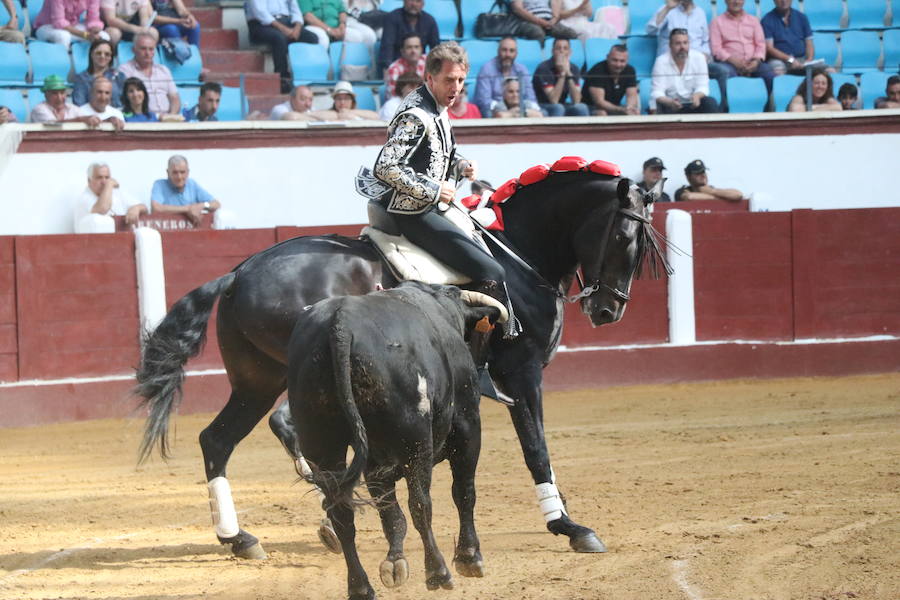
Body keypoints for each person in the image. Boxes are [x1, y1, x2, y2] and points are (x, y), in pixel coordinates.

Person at [361, 41, 521, 338]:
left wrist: (460, 165)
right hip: (412, 212)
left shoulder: (437, 107)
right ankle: (474, 355)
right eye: (449, 80)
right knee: (493, 271)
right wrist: (434, 190)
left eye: (461, 80)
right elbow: (386, 167)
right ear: (430, 77)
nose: (456, 87)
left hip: (428, 206)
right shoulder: (415, 116)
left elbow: (434, 157)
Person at [647, 1, 727, 100]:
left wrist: (706, 54)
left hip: (696, 62)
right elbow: (651, 31)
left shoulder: (700, 12)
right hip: (672, 63)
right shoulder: (667, 9)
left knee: (722, 71)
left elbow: (705, 40)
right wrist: (667, 9)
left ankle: (724, 110)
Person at [245, 0, 319, 93]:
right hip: (261, 24)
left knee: (312, 38)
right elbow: (260, 13)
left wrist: (297, 27)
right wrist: (284, 29)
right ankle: (283, 80)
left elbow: (295, 8)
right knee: (279, 38)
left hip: (286, 21)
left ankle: (306, 78)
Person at [710, 0, 773, 98]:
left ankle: (768, 107)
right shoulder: (717, 22)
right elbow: (716, 49)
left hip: (753, 63)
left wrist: (756, 61)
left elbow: (760, 44)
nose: (736, 2)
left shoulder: (754, 21)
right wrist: (733, 61)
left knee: (767, 71)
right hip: (729, 64)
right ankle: (731, 107)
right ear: (725, 1)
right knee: (727, 73)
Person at [650, 29, 719, 114]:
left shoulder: (699, 58)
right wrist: (669, 102)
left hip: (693, 103)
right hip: (671, 104)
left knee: (710, 102)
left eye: (685, 43)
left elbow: (703, 86)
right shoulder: (661, 61)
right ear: (670, 45)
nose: (682, 47)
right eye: (678, 43)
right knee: (660, 105)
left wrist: (697, 96)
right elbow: (657, 91)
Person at [473, 37, 539, 118]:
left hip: (519, 107)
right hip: (496, 109)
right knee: (488, 114)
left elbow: (531, 97)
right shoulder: (487, 69)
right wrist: (506, 111)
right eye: (504, 50)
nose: (508, 54)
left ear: (516, 54)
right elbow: (484, 101)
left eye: (511, 51)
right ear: (498, 51)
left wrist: (525, 109)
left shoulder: (522, 70)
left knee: (544, 112)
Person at [118, 32, 181, 116]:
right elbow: (123, 101)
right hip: (142, 120)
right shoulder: (125, 70)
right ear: (133, 50)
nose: (147, 53)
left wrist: (172, 116)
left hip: (166, 120)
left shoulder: (164, 70)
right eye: (143, 49)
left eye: (151, 49)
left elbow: (174, 98)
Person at [74, 162, 147, 233]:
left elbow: (145, 208)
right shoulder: (84, 198)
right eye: (99, 178)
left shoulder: (116, 192)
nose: (104, 182)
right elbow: (102, 209)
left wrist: (136, 208)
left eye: (107, 177)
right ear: (89, 180)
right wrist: (109, 184)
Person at [151, 155, 221, 225]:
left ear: (188, 172)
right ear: (168, 173)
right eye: (175, 172)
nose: (179, 177)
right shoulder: (160, 185)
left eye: (182, 172)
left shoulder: (192, 184)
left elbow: (216, 204)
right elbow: (156, 208)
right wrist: (188, 209)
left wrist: (202, 205)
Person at [378, 0, 440, 73]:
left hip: (420, 68)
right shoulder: (392, 18)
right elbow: (387, 46)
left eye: (418, 1)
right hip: (397, 68)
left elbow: (436, 48)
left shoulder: (429, 21)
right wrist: (388, 69)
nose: (413, 4)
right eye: (410, 0)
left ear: (423, 4)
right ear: (404, 1)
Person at [533, 37, 589, 116]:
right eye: (558, 48)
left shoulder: (574, 68)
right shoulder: (544, 68)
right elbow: (554, 100)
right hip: (542, 105)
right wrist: (562, 74)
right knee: (558, 107)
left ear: (570, 52)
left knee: (581, 107)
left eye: (565, 48)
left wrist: (568, 73)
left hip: (562, 104)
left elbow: (576, 100)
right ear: (552, 51)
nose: (561, 51)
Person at [582, 44, 639, 116]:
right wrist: (621, 110)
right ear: (607, 57)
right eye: (615, 60)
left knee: (635, 112)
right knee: (602, 113)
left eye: (622, 61)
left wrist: (630, 108)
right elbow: (599, 102)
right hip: (591, 108)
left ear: (627, 60)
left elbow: (632, 95)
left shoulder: (630, 70)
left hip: (615, 107)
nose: (618, 64)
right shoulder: (597, 70)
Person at [760, 0, 814, 76]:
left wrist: (809, 60)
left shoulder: (802, 17)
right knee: (778, 70)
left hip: (801, 59)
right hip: (779, 60)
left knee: (828, 71)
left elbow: (809, 43)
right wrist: (790, 59)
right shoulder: (767, 20)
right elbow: (769, 48)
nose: (784, 1)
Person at [299, 0, 376, 51]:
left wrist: (342, 25)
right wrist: (329, 30)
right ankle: (324, 70)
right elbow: (308, 16)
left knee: (356, 37)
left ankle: (349, 70)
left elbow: (342, 11)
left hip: (336, 26)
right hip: (315, 26)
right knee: (323, 39)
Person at [32, 0, 110, 48]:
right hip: (46, 27)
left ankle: (92, 71)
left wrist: (95, 30)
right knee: (63, 36)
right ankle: (60, 68)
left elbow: (93, 19)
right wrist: (86, 35)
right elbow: (59, 22)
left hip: (72, 26)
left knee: (103, 36)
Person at [72, 39, 125, 107]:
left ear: (111, 57)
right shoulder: (81, 78)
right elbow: (79, 104)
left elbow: (125, 103)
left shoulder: (119, 76)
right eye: (98, 53)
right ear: (91, 54)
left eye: (107, 54)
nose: (102, 56)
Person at [674, 159, 744, 202]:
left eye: (703, 172)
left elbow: (738, 194)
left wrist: (711, 191)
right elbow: (690, 197)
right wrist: (722, 198)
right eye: (697, 173)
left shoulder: (712, 190)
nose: (703, 175)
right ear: (688, 177)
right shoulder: (682, 191)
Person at [510, 0, 577, 43]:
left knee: (571, 33)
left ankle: (564, 60)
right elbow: (517, 8)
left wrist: (554, 18)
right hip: (529, 21)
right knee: (538, 33)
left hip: (549, 20)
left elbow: (555, 2)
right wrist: (540, 21)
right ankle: (540, 61)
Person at [311, 81, 380, 121]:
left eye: (346, 98)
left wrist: (349, 112)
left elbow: (376, 117)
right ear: (334, 101)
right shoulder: (327, 114)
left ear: (352, 101)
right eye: (339, 99)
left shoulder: (359, 113)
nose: (342, 102)